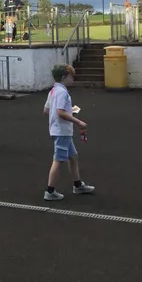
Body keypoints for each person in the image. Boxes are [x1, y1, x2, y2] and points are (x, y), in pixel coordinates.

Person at [43, 64, 95, 201]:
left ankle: (78, 185)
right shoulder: (62, 92)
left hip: (59, 130)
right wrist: (78, 122)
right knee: (58, 160)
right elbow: (60, 112)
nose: (73, 78)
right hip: (62, 131)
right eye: (71, 76)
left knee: (73, 156)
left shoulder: (53, 91)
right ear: (64, 77)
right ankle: (50, 191)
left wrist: (69, 110)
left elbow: (47, 110)